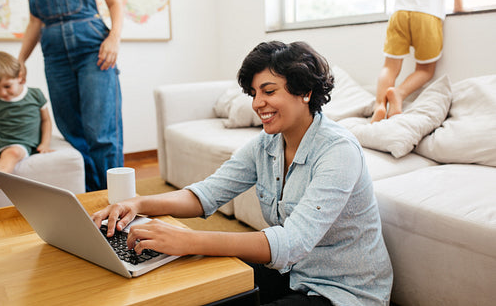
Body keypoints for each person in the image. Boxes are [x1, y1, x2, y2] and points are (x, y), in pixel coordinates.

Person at [92, 41, 393, 305]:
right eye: (253, 93)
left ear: (304, 91)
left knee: (197, 258)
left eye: (268, 91)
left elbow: (292, 241)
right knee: (192, 286)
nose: (257, 103)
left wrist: (190, 241)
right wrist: (138, 203)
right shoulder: (267, 144)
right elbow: (206, 194)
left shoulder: (338, 151)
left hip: (343, 291)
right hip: (293, 272)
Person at [17, 0, 124, 191]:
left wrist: (113, 38)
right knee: (71, 130)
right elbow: (35, 21)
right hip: (54, 56)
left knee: (101, 132)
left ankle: (116, 198)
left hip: (94, 50)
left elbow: (114, 3)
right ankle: (92, 196)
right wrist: (20, 60)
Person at [371, 0, 463, 123]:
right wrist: (458, 6)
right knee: (425, 69)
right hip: (427, 13)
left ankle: (379, 105)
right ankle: (399, 94)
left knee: (390, 67)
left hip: (400, 12)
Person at [0, 51, 52, 175]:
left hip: (20, 143)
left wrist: (45, 143)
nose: (3, 93)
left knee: (12, 153)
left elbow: (46, 120)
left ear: (20, 77)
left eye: (7, 86)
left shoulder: (35, 95)